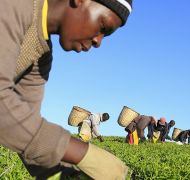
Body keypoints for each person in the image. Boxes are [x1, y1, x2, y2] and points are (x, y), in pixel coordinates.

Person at [0, 0, 132, 179]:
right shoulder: (13, 5)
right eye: (103, 27)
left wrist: (68, 174)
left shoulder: (41, 59)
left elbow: (24, 127)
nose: (98, 42)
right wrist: (84, 154)